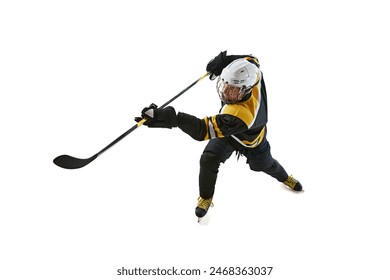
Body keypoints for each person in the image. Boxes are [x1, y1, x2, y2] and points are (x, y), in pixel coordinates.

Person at [136, 51, 303, 220]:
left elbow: (202, 130)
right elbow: (250, 59)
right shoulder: (254, 71)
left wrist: (172, 118)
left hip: (251, 141)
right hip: (229, 133)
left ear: (246, 89)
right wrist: (223, 61)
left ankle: (286, 178)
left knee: (267, 165)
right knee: (208, 159)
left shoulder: (241, 114)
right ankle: (206, 198)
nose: (226, 92)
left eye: (233, 90)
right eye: (225, 84)